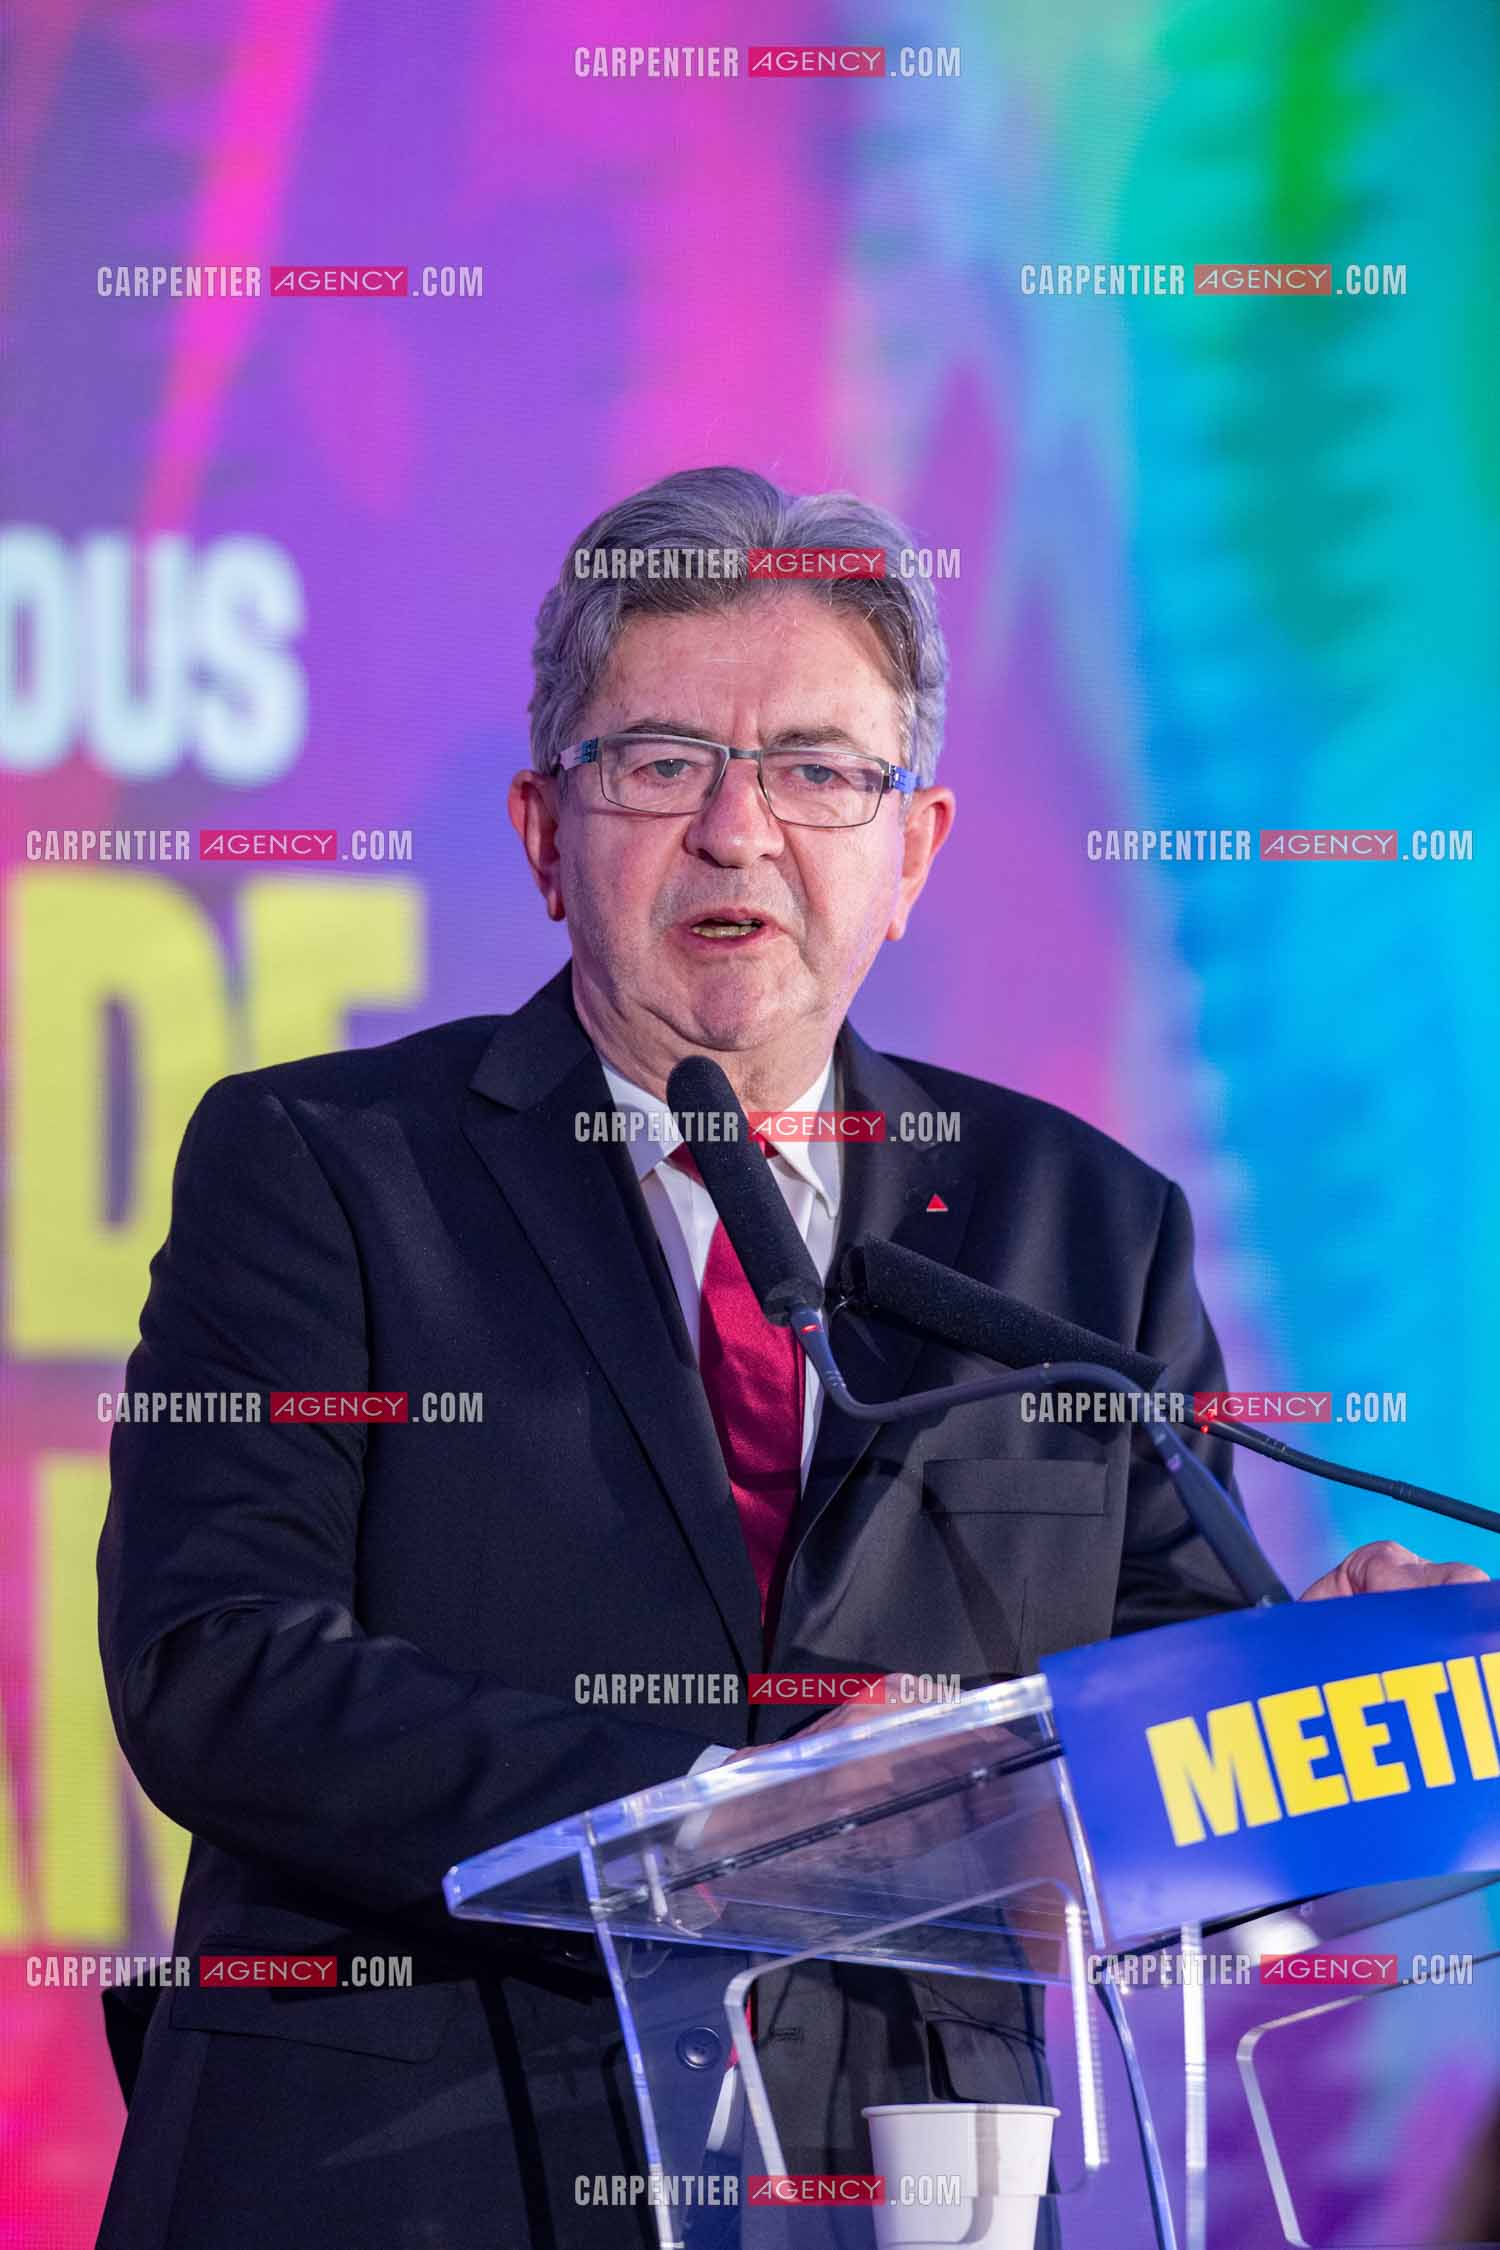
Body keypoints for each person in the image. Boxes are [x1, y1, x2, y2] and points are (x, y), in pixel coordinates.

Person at [95, 466, 1481, 2250]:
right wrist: (727, 1814)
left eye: (821, 770)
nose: (739, 830)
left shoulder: (1082, 1226)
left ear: (916, 848)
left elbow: (1147, 1744)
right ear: (544, 831)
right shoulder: (329, 1169)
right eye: (663, 762)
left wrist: (1317, 1696)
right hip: (411, 2174)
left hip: (897, 2185)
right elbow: (218, 1665)